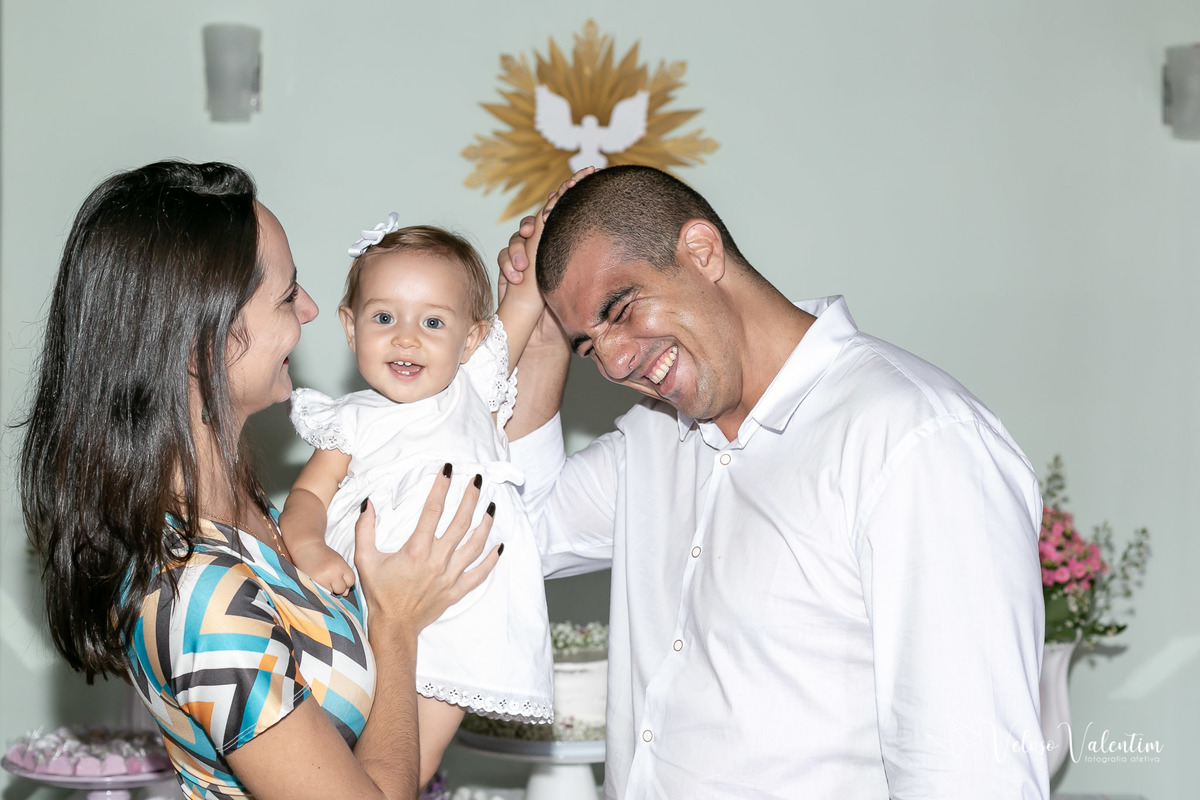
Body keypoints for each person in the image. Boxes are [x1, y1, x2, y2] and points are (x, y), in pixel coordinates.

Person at [500, 165, 1050, 799]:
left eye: (620, 310)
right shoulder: (654, 437)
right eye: (589, 348)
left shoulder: (914, 439)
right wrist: (541, 341)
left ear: (702, 252)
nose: (618, 361)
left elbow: (970, 775)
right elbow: (514, 535)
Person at [18, 160, 504, 800]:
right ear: (200, 344)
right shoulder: (196, 596)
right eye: (285, 295)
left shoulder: (241, 511)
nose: (308, 310)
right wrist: (396, 625)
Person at [277, 218, 555, 784]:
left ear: (471, 339)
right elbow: (307, 493)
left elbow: (524, 299)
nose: (407, 337)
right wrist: (306, 544)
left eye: (433, 322)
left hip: (465, 604)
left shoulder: (473, 384)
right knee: (345, 740)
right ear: (350, 328)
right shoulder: (352, 419)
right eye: (384, 318)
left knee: (413, 763)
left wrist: (547, 231)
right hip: (362, 598)